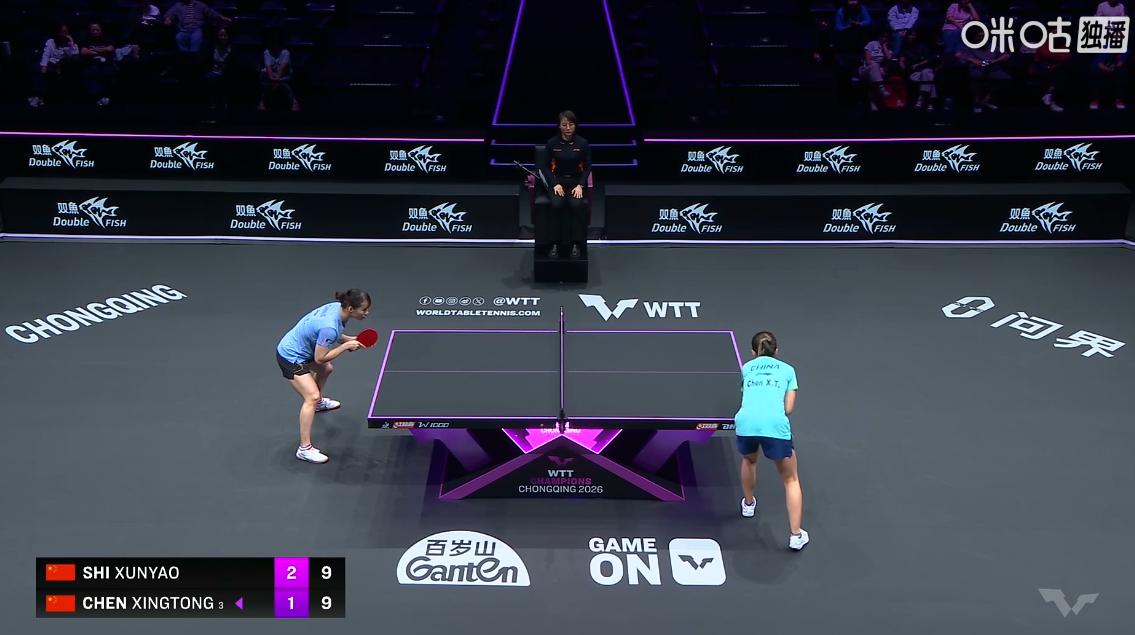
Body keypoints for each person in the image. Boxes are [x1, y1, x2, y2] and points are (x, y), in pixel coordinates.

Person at [276, 289, 372, 464]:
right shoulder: (330, 327)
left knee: (326, 370)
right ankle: (304, 449)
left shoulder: (337, 308)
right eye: (364, 309)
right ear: (351, 308)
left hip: (303, 348)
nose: (367, 313)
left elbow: (332, 335)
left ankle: (319, 404)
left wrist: (349, 339)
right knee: (311, 397)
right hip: (291, 357)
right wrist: (345, 346)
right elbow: (320, 357)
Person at [734, 331, 808, 551]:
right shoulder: (788, 370)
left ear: (752, 351)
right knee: (791, 479)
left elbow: (746, 396)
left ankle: (748, 504)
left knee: (749, 460)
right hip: (775, 425)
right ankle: (796, 535)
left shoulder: (746, 368)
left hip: (746, 423)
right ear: (776, 350)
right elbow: (788, 408)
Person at [538, 110, 591, 259]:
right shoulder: (552, 143)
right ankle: (554, 243)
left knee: (576, 205)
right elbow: (544, 167)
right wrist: (554, 183)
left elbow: (588, 167)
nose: (568, 128)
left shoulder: (582, 143)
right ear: (559, 126)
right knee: (556, 204)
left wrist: (581, 185)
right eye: (564, 125)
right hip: (558, 182)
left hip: (575, 182)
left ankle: (576, 244)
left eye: (571, 124)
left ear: (575, 126)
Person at [28, 24, 79, 108]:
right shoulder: (51, 41)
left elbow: (74, 55)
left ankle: (38, 97)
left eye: (66, 32)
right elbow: (46, 54)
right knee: (37, 69)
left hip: (62, 66)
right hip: (50, 63)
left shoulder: (70, 44)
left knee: (46, 72)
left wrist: (71, 43)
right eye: (63, 32)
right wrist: (44, 66)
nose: (65, 34)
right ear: (58, 32)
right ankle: (39, 97)